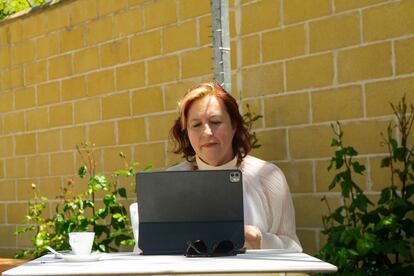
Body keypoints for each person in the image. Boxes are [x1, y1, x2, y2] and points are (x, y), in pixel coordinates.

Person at [168, 81, 302, 251]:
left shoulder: (268, 177)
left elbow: (294, 249)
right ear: (186, 132)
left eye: (215, 121)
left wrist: (258, 240)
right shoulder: (171, 184)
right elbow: (146, 251)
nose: (207, 132)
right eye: (196, 125)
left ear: (234, 126)